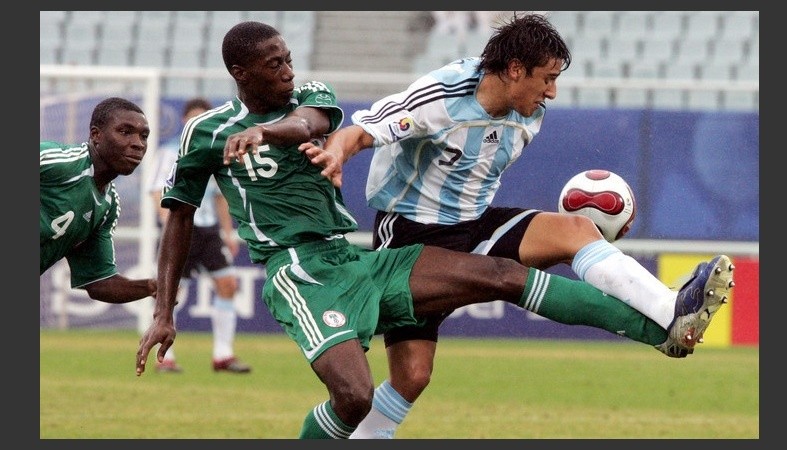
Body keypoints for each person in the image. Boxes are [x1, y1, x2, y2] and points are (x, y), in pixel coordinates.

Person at [135, 21, 733, 439]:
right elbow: (354, 130)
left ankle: (666, 322)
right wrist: (164, 310)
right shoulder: (440, 95)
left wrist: (290, 136)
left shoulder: (312, 96)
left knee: (556, 242)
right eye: (275, 64)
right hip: (366, 249)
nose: (290, 71)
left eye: (289, 59)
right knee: (390, 385)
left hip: (425, 239)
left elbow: (311, 119)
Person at [148, 97, 251, 374]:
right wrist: (167, 224)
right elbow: (157, 191)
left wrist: (228, 232)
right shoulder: (169, 152)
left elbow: (220, 197)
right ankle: (164, 358)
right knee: (170, 292)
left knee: (228, 284)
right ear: (184, 121)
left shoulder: (215, 152)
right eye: (193, 118)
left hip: (207, 230)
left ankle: (223, 355)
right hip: (180, 228)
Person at [40, 96, 157, 303]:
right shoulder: (59, 162)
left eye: (144, 136)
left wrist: (151, 286)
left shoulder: (107, 207)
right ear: (96, 135)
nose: (138, 144)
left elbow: (99, 282)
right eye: (125, 132)